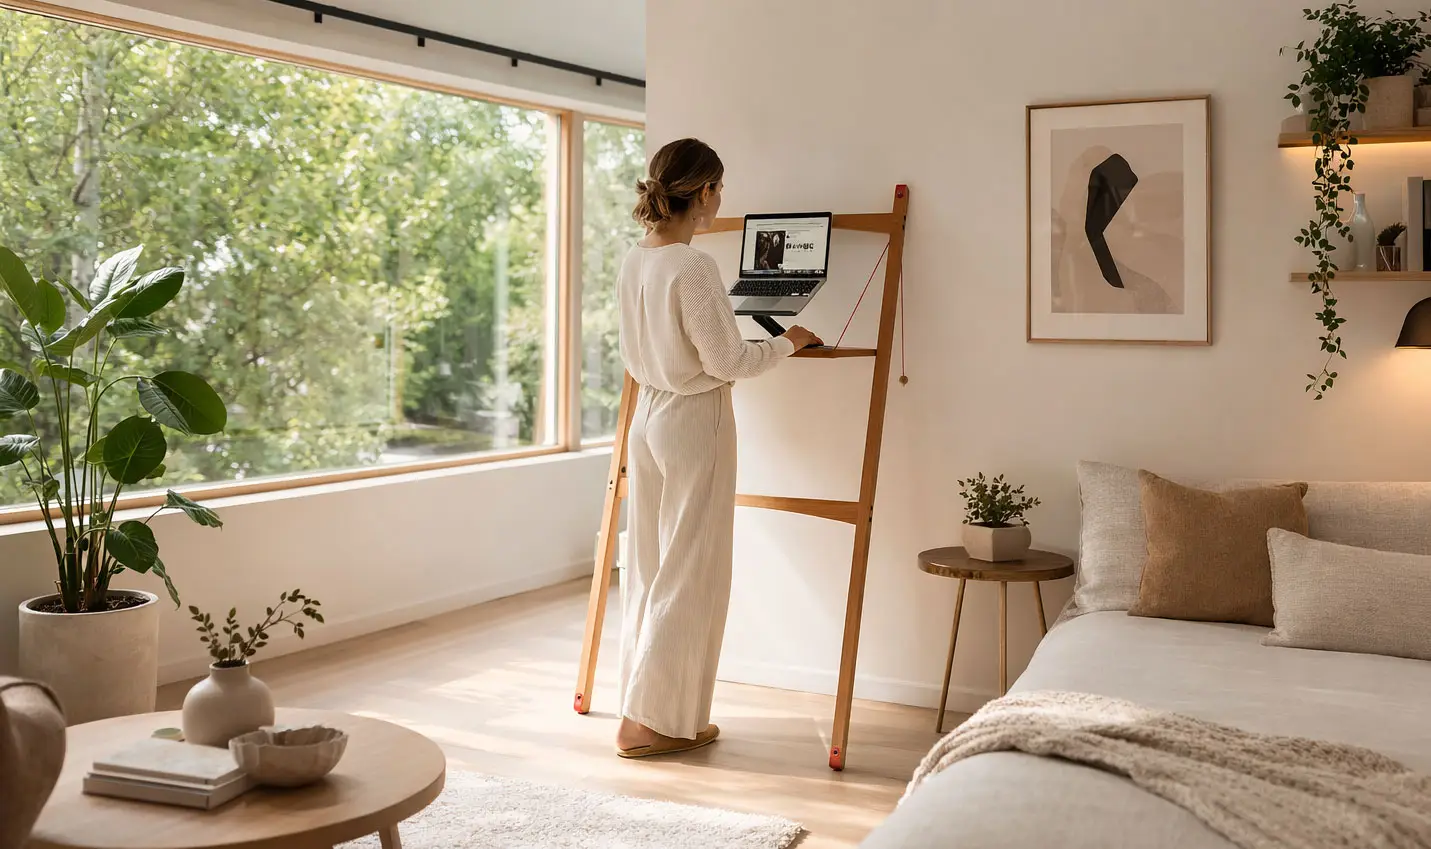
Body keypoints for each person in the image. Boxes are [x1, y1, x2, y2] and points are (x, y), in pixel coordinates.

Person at [614, 138, 821, 758]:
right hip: (691, 418)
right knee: (691, 568)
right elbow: (727, 361)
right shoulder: (694, 266)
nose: (722, 199)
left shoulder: (634, 260)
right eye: (720, 188)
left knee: (649, 564)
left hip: (647, 414)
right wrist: (789, 343)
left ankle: (643, 710)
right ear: (703, 192)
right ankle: (653, 721)